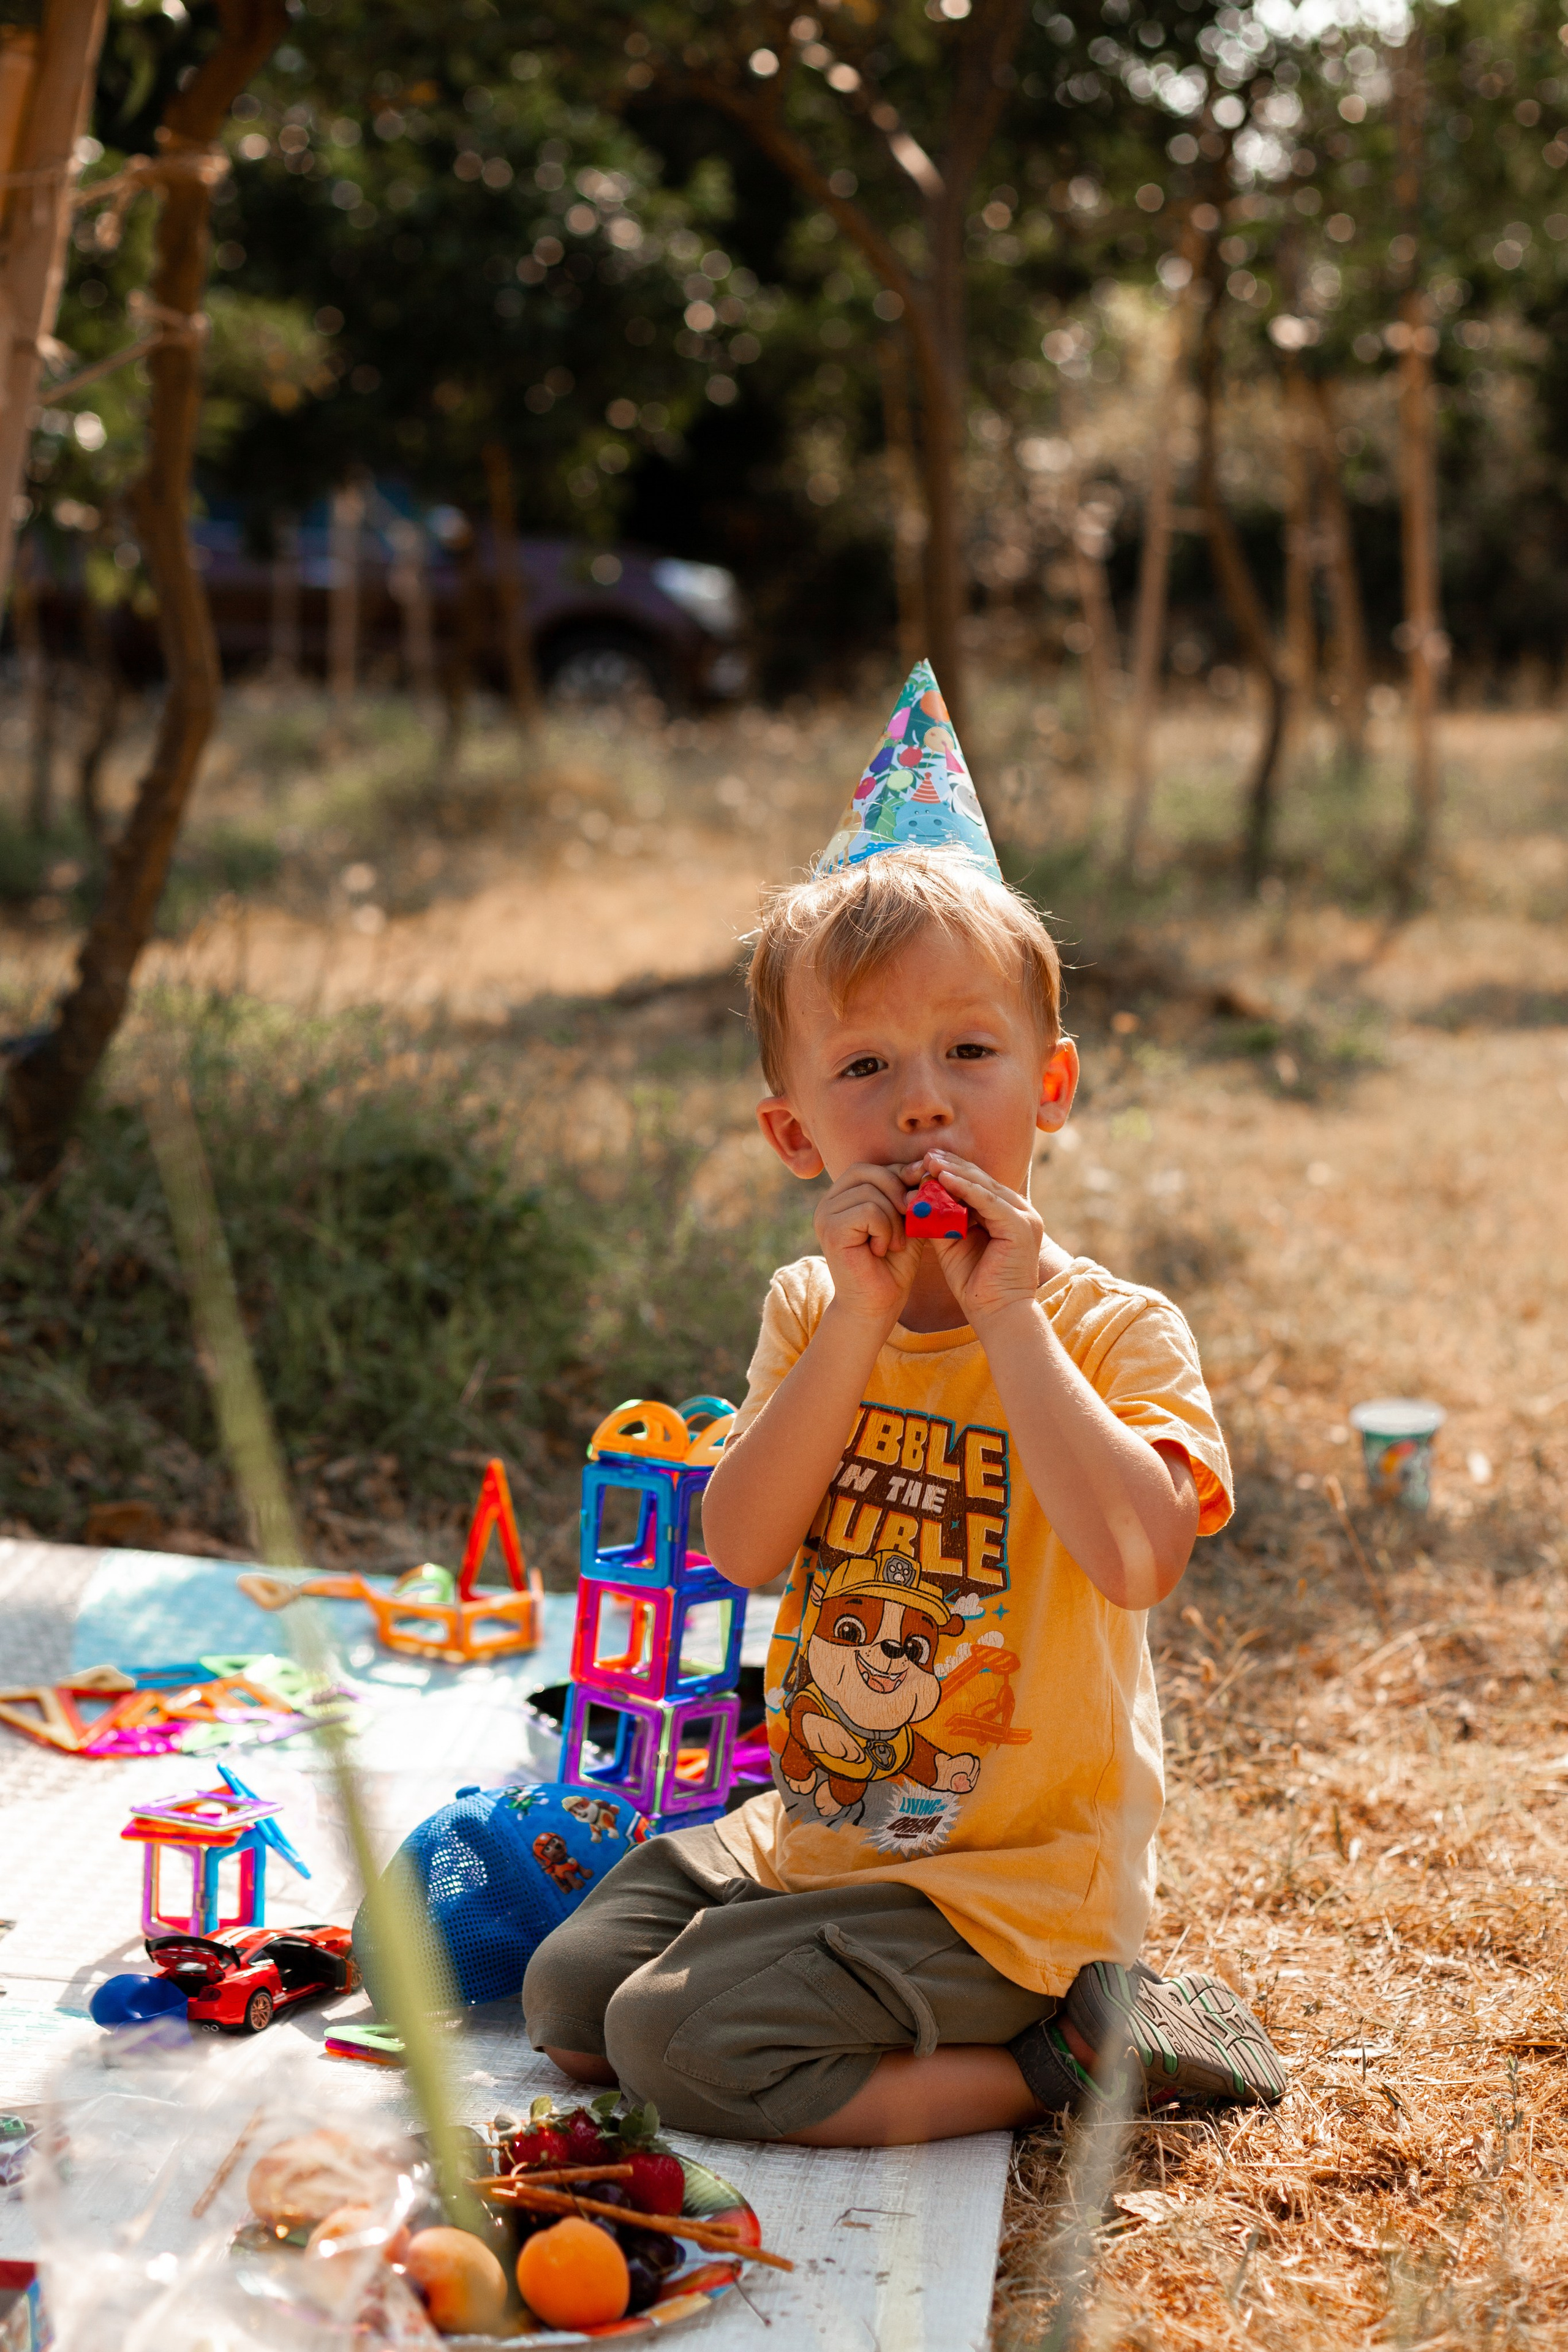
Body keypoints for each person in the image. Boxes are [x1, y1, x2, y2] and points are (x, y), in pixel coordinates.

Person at [522, 663, 1286, 2146]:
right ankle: (795, 1965)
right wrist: (861, 1325)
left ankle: (1086, 2054)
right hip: (823, 1829)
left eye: (969, 1053)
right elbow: (741, 1547)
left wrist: (1005, 1316)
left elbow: (1138, 1559)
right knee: (570, 2001)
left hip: (1008, 1876)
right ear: (794, 1133)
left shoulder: (1114, 1327)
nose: (923, 1103)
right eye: (865, 1066)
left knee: (675, 2045)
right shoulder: (815, 1310)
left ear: (1049, 1086)